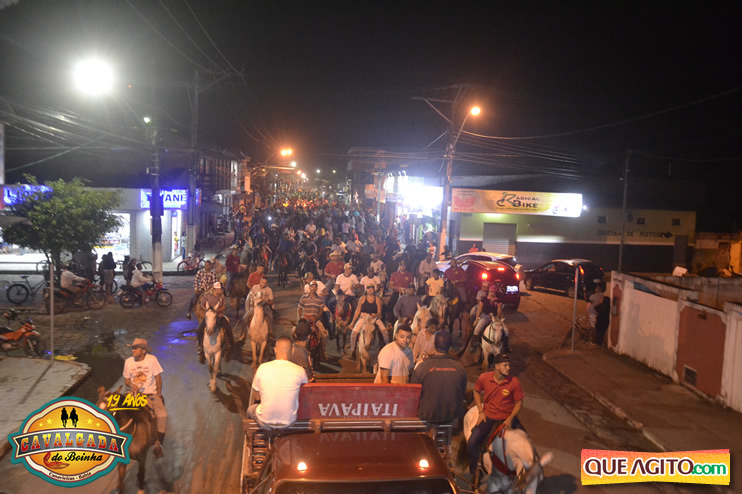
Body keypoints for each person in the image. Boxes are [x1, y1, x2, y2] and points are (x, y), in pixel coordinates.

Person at [466, 353, 525, 476]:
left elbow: (519, 402)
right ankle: (474, 471)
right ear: (496, 366)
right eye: (505, 365)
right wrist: (481, 412)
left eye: (508, 365)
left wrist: (510, 419)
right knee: (472, 443)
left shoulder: (514, 382)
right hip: (489, 417)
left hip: (508, 418)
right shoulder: (484, 378)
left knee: (527, 443)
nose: (508, 368)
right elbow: (476, 391)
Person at [247, 336, 308, 429]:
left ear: (275, 350)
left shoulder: (262, 368)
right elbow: (304, 394)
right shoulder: (300, 370)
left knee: (250, 410)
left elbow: (256, 396)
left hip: (265, 422)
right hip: (288, 422)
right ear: (292, 350)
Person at [411, 330, 467, 430]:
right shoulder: (460, 368)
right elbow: (462, 392)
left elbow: (413, 393)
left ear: (434, 345)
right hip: (451, 415)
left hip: (427, 415)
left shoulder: (422, 367)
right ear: (450, 347)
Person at [123, 338, 167, 457]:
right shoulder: (128, 362)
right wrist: (131, 385)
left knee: (162, 415)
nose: (133, 350)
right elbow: (126, 380)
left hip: (150, 394)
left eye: (135, 348)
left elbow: (158, 378)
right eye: (132, 348)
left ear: (143, 350)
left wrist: (158, 394)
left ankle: (158, 444)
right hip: (133, 394)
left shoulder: (152, 360)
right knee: (120, 412)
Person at [196, 282, 234, 364]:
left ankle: (229, 345)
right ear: (216, 289)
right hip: (209, 317)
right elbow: (201, 305)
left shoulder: (222, 296)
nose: (221, 291)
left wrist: (216, 311)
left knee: (228, 328)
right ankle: (200, 347)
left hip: (219, 316)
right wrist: (208, 311)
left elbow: (224, 306)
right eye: (220, 289)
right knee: (199, 330)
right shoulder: (207, 296)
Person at [348, 284, 388, 358]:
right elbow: (358, 310)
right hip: (364, 317)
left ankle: (386, 348)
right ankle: (352, 350)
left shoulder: (377, 299)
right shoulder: (362, 298)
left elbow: (379, 312)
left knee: (384, 331)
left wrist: (375, 316)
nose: (370, 290)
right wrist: (353, 322)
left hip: (374, 317)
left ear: (374, 290)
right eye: (368, 288)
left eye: (371, 288)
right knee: (354, 333)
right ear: (366, 290)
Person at [472, 286, 510, 353]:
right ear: (489, 292)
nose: (492, 293)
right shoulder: (484, 300)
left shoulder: (498, 301)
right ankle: (474, 344)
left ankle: (505, 347)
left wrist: (497, 318)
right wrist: (476, 319)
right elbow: (479, 310)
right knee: (478, 327)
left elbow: (499, 311)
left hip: (495, 317)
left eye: (493, 292)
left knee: (505, 330)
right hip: (485, 316)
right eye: (491, 292)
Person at [297, 281, 329, 358]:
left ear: (316, 288)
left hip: (315, 319)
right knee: (295, 331)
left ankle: (323, 351)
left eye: (315, 287)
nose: (313, 288)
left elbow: (321, 310)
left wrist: (316, 317)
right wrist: (299, 319)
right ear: (309, 287)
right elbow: (299, 308)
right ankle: (296, 349)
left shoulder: (320, 299)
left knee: (324, 334)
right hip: (305, 319)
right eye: (312, 287)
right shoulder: (303, 298)